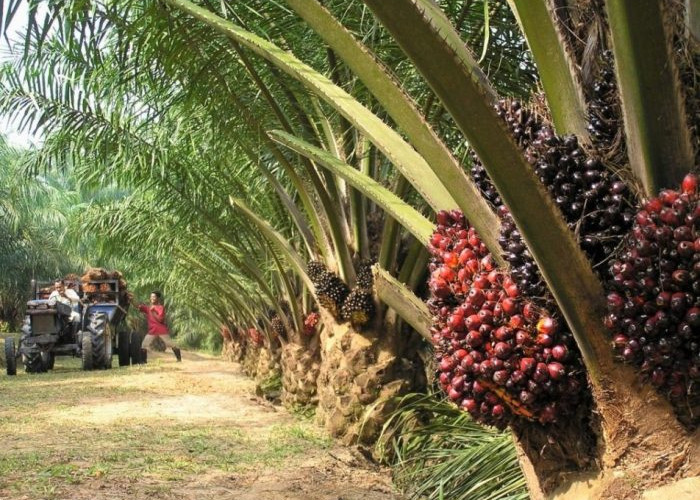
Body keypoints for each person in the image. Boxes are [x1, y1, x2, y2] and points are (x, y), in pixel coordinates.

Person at [134, 291, 181, 362]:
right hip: (152, 331)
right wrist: (131, 300)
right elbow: (138, 306)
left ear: (158, 298)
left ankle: (179, 359)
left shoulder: (160, 307)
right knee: (144, 345)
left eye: (154, 297)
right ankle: (144, 362)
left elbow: (160, 319)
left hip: (161, 330)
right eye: (151, 296)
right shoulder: (148, 308)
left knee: (171, 344)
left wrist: (153, 311)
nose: (152, 298)